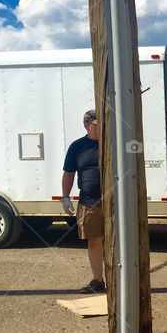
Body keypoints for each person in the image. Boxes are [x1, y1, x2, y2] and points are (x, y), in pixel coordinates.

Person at [62, 109, 105, 294]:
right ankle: (98, 280)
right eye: (96, 124)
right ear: (87, 126)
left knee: (117, 242)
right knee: (94, 241)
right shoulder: (77, 147)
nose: (100, 126)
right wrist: (65, 196)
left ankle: (120, 279)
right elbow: (69, 173)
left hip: (114, 203)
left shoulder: (111, 143)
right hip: (89, 203)